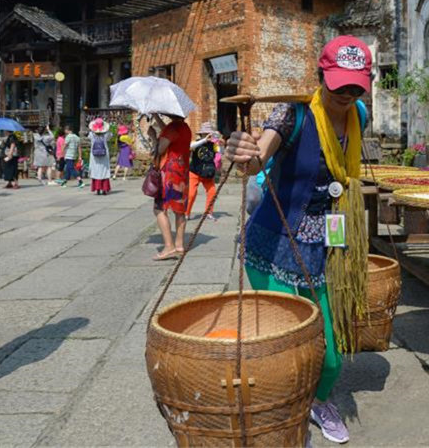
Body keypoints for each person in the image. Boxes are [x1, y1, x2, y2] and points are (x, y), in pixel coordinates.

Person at [226, 35, 374, 445]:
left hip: (329, 247)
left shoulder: (359, 115)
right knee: (286, 347)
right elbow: (258, 158)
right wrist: (243, 154)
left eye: (355, 85)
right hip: (275, 245)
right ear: (320, 75)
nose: (346, 93)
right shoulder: (291, 115)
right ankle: (286, 418)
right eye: (339, 83)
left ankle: (318, 401)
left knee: (328, 356)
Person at [148, 113, 191, 261]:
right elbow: (168, 131)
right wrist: (157, 118)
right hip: (183, 173)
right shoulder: (185, 127)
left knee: (160, 209)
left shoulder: (171, 129)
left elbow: (160, 150)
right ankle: (179, 245)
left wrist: (153, 137)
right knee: (180, 210)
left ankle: (169, 247)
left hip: (169, 174)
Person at [186, 122, 220, 221]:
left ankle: (209, 213)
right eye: (205, 133)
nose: (208, 135)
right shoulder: (196, 143)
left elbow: (218, 154)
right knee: (191, 194)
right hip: (194, 172)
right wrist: (204, 140)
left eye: (209, 133)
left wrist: (219, 142)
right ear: (201, 134)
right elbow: (190, 146)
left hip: (207, 173)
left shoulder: (213, 145)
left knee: (212, 192)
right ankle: (186, 213)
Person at [87, 118, 112, 195]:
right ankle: (104, 189)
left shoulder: (91, 134)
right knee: (104, 171)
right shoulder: (106, 134)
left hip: (94, 155)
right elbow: (111, 135)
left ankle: (97, 189)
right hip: (104, 154)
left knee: (96, 171)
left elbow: (88, 137)